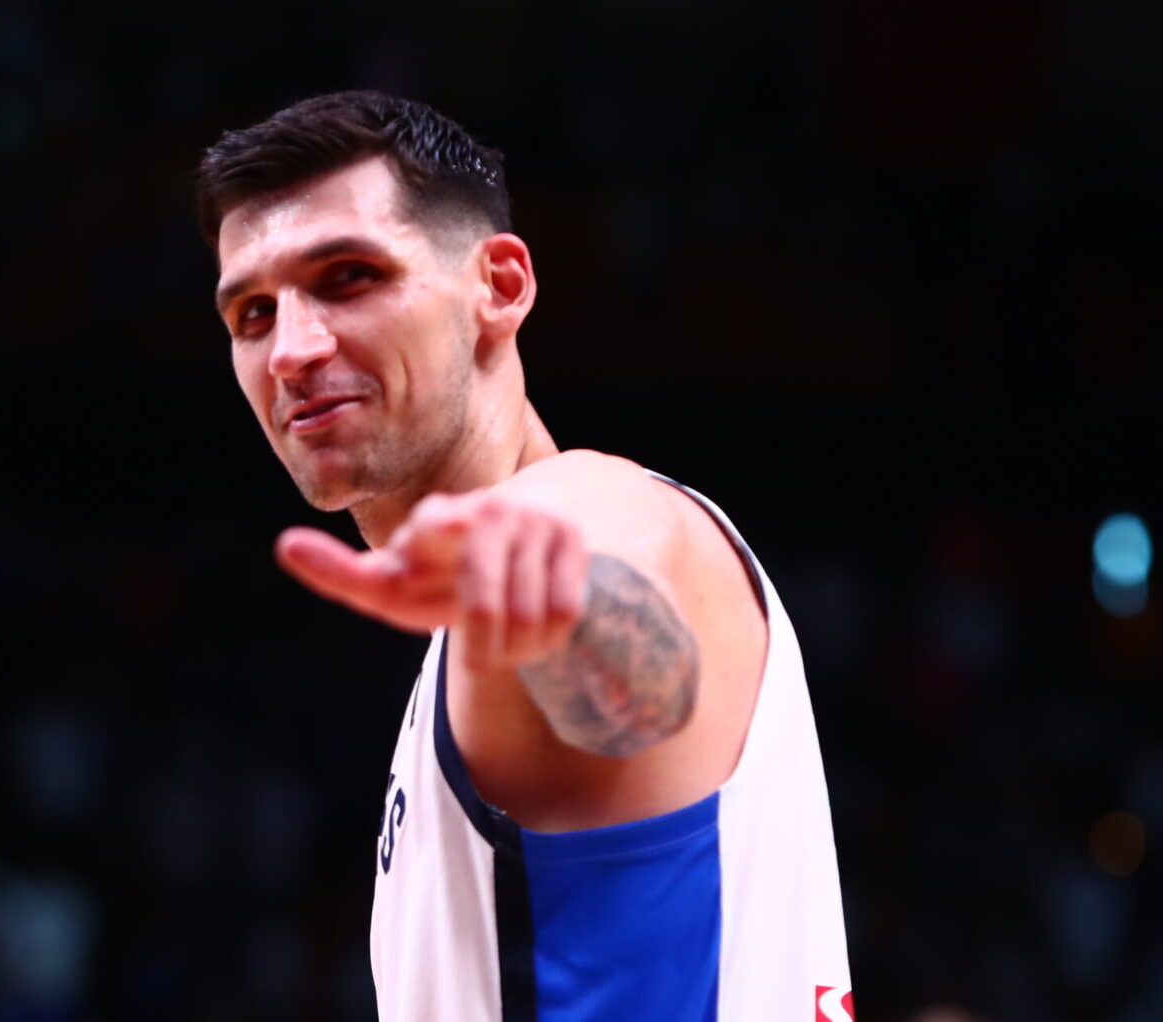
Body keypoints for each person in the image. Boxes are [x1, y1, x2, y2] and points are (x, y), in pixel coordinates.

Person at [196, 91, 852, 1022]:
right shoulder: (463, 641)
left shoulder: (599, 515)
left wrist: (568, 600)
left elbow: (630, 624)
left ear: (499, 288)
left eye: (348, 277)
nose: (291, 351)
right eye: (253, 314)